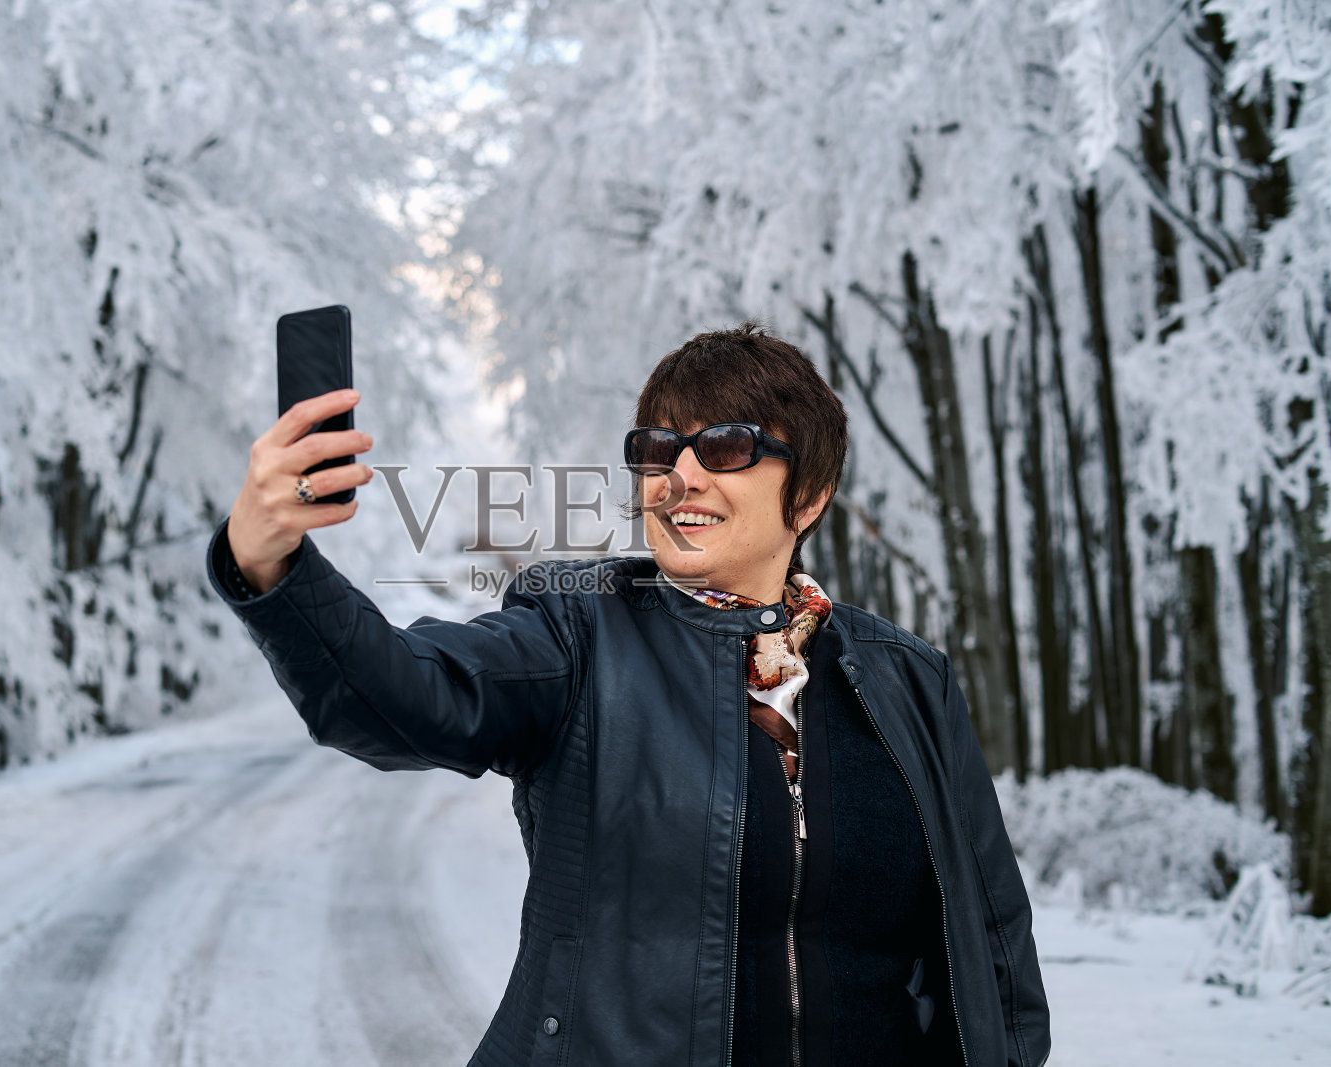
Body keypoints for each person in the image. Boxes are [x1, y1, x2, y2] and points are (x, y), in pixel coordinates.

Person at [207, 323, 1051, 1066]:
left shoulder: (906, 676)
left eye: (725, 446)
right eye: (656, 449)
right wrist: (270, 563)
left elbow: (991, 938)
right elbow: (394, 695)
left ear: (811, 494)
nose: (680, 475)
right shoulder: (578, 636)